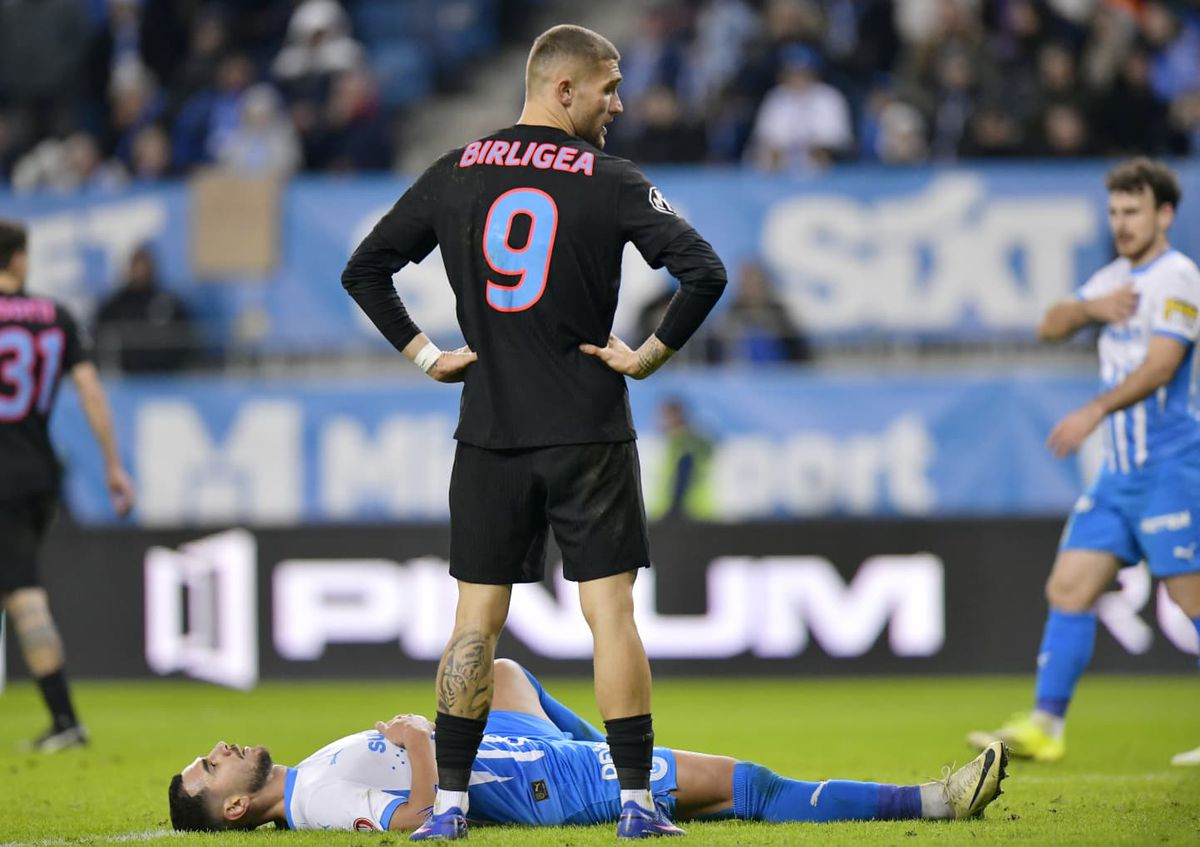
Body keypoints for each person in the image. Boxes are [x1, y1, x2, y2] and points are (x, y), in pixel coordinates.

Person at [340, 24, 728, 840]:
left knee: (474, 622)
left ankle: (448, 808)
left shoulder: (458, 170)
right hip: (588, 427)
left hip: (490, 429)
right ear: (563, 88)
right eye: (608, 87)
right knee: (610, 613)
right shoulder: (610, 179)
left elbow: (365, 267)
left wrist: (425, 355)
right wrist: (649, 355)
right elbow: (705, 271)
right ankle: (636, 805)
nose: (617, 103)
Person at [167, 659, 1009, 834]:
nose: (219, 747)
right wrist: (419, 740)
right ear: (234, 805)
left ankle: (613, 749)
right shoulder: (316, 800)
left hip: (508, 744)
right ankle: (933, 800)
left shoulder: (306, 773)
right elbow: (419, 817)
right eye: (210, 766)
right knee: (747, 783)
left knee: (497, 669)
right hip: (538, 782)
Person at [966, 158, 1200, 768]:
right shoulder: (1111, 280)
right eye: (1114, 212)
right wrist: (1093, 310)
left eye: (1133, 211)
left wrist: (1093, 410)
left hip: (1171, 466)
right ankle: (1046, 726)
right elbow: (1049, 326)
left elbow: (1163, 366)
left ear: (1165, 214)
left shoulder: (1178, 277)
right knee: (1068, 586)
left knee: (1191, 597)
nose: (1121, 223)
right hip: (1118, 477)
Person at [0, 219, 135, 751]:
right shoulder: (55, 316)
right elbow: (90, 391)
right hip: (38, 473)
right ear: (19, 258)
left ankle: (65, 720)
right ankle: (63, 720)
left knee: (23, 595)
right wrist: (113, 465)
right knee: (17, 587)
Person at [94, 244, 195, 373]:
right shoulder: (114, 305)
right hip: (125, 376)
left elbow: (186, 337)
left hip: (165, 376)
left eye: (144, 266)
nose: (140, 271)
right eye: (136, 266)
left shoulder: (169, 303)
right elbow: (98, 335)